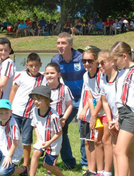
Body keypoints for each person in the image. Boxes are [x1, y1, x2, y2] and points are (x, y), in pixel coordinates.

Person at [110, 41, 134, 176]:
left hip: (132, 115)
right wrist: (117, 118)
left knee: (119, 151)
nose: (114, 63)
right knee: (131, 153)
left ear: (125, 56)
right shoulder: (122, 73)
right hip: (123, 114)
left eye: (116, 59)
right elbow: (121, 99)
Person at [51, 32, 87, 170]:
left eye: (63, 43)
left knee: (84, 131)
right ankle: (69, 162)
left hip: (85, 100)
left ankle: (86, 164)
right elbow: (52, 79)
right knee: (61, 127)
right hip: (68, 102)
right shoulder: (55, 60)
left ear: (71, 44)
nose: (60, 46)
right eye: (58, 43)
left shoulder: (82, 58)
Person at [9, 53, 46, 168]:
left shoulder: (43, 79)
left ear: (40, 65)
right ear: (27, 65)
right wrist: (9, 106)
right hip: (16, 112)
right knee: (13, 137)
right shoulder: (21, 75)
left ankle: (25, 164)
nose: (34, 68)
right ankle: (12, 160)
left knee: (26, 139)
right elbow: (13, 91)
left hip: (30, 115)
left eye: (36, 65)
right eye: (31, 65)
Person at [44, 63, 73, 173]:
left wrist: (64, 118)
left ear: (58, 74)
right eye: (47, 73)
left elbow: (70, 105)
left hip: (60, 120)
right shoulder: (43, 89)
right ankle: (43, 162)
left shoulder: (64, 89)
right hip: (45, 120)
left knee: (59, 143)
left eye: (52, 73)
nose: (50, 75)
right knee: (46, 140)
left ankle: (53, 166)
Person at [0, 99, 29, 176]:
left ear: (11, 112)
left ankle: (23, 170)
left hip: (13, 152)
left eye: (7, 113)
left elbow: (15, 142)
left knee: (4, 172)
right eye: (1, 113)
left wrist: (9, 156)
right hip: (1, 149)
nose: (4, 116)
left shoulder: (13, 124)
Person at [29, 86, 64, 176]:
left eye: (39, 99)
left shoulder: (53, 115)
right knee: (36, 153)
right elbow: (35, 125)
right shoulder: (34, 111)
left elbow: (59, 132)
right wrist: (38, 139)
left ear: (47, 101)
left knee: (47, 165)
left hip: (53, 143)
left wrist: (49, 143)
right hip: (42, 140)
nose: (36, 101)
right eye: (34, 99)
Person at [78, 46, 101, 176]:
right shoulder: (86, 75)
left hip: (100, 114)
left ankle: (100, 169)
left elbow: (101, 97)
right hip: (90, 114)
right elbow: (89, 96)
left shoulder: (101, 75)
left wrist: (94, 115)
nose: (87, 63)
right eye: (84, 61)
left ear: (97, 61)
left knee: (98, 142)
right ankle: (91, 169)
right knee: (87, 141)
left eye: (90, 60)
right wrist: (87, 111)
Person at [95, 50, 119, 176]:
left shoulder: (121, 77)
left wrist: (117, 119)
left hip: (122, 117)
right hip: (110, 116)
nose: (100, 66)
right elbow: (104, 101)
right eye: (98, 63)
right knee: (106, 140)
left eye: (102, 63)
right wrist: (110, 120)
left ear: (112, 62)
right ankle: (106, 172)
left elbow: (124, 101)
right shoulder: (103, 78)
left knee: (120, 149)